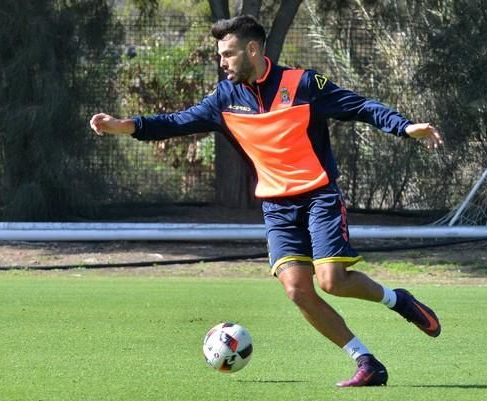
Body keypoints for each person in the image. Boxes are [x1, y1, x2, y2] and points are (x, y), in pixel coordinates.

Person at [90, 15, 443, 387]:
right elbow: (176, 122)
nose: (222, 62)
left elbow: (361, 106)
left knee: (332, 281)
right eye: (220, 55)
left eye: (228, 54)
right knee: (297, 290)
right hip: (277, 208)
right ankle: (366, 362)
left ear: (253, 50)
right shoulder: (224, 99)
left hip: (319, 197)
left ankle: (397, 300)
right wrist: (124, 125)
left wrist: (404, 127)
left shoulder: (304, 84)